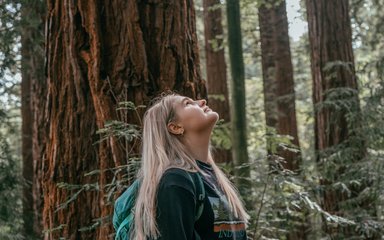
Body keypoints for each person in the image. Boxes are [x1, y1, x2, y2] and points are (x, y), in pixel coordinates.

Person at [131, 92, 249, 240]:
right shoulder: (176, 182)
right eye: (188, 103)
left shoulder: (212, 177)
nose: (202, 102)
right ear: (175, 127)